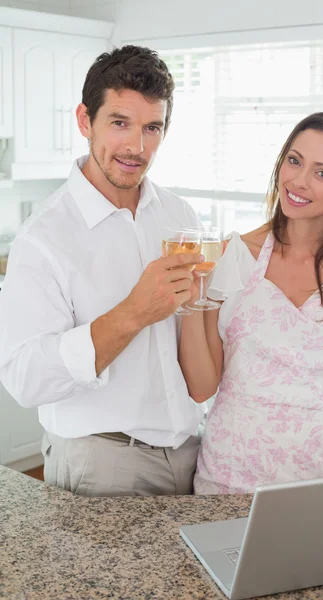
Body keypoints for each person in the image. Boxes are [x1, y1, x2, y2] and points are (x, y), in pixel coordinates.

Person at [0, 45, 206, 497]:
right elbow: (24, 378)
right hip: (102, 465)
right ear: (83, 120)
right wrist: (133, 312)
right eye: (119, 123)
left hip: (193, 454)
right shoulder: (43, 239)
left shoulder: (179, 214)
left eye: (152, 127)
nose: (137, 146)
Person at [179, 112, 323, 495]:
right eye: (294, 161)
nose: (298, 181)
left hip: (321, 490)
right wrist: (190, 298)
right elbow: (201, 388)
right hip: (225, 481)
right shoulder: (234, 257)